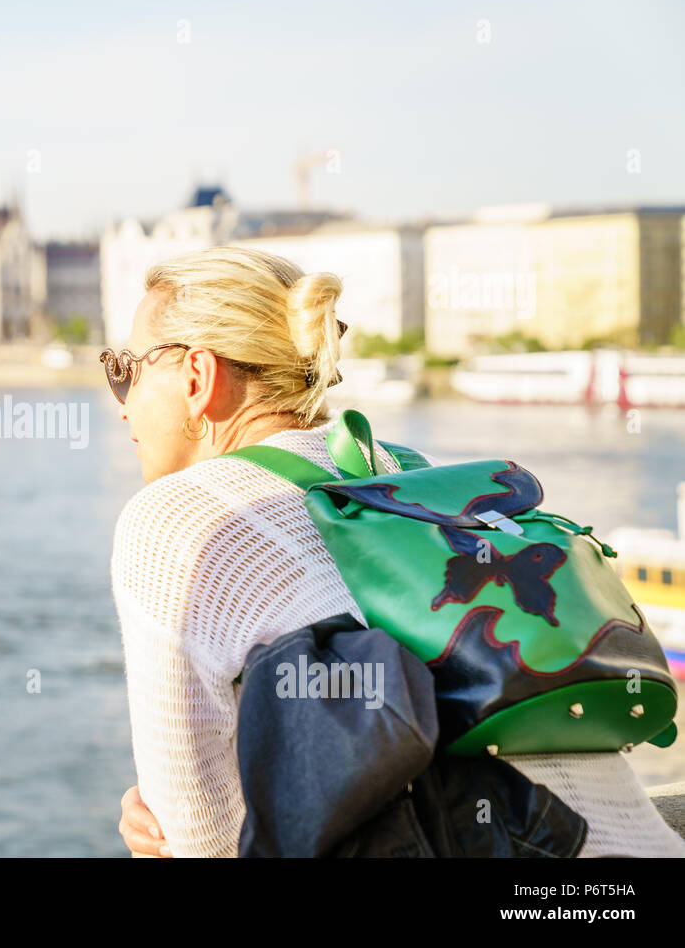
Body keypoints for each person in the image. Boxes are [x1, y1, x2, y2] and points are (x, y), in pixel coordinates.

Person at [103, 245, 685, 858]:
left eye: (124, 369)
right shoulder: (413, 475)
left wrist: (155, 841)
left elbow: (204, 846)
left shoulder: (173, 522)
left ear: (197, 377)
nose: (120, 404)